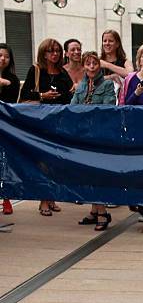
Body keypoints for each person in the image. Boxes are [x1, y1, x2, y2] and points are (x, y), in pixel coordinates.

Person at [20, 38, 73, 216]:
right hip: (40, 122)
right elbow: (25, 93)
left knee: (54, 161)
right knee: (42, 160)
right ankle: (43, 198)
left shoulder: (63, 72)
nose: (55, 54)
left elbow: (68, 96)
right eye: (51, 51)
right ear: (44, 53)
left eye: (57, 51)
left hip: (58, 122)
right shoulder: (35, 70)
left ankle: (51, 197)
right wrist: (43, 95)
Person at [72, 51, 115, 231]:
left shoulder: (106, 84)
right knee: (86, 173)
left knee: (98, 173)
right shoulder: (81, 86)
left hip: (99, 135)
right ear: (83, 66)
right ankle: (94, 209)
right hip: (83, 135)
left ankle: (103, 212)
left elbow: (107, 107)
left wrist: (86, 111)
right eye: (88, 63)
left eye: (94, 63)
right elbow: (73, 106)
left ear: (99, 65)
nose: (91, 67)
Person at [0, 43, 20, 215]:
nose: (2, 59)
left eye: (6, 56)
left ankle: (6, 199)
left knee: (5, 163)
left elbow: (11, 101)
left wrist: (5, 82)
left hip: (4, 127)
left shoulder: (13, 79)